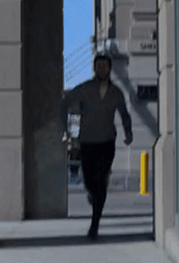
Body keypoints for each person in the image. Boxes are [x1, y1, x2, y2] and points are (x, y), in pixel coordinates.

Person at [60, 53, 133, 240]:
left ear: (109, 69)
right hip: (87, 144)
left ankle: (95, 225)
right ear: (94, 69)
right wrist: (66, 131)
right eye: (99, 66)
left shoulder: (116, 92)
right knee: (90, 182)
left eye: (105, 67)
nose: (102, 70)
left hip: (107, 144)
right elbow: (64, 105)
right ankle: (93, 196)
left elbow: (125, 115)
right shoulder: (84, 90)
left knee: (101, 182)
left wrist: (128, 133)